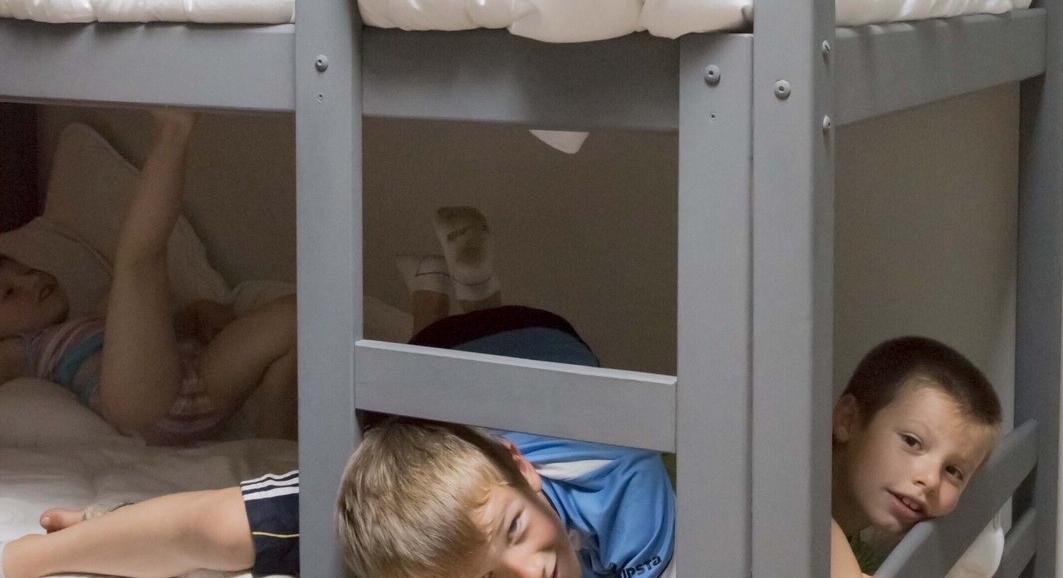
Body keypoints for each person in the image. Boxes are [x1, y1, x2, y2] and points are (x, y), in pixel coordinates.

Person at [0, 208, 676, 578]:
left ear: (523, 472)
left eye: (515, 530)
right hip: (428, 389)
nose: (529, 576)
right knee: (377, 424)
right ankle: (447, 294)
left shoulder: (628, 489)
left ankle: (465, 292)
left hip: (529, 337)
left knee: (421, 372)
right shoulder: (381, 513)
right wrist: (39, 558)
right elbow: (209, 525)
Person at [0, 109, 298, 445]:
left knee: (298, 317)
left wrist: (193, 317)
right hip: (137, 407)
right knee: (137, 263)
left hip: (196, 387)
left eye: (26, 270)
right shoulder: (22, 349)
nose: (32, 281)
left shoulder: (86, 323)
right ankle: (173, 129)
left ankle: (276, 446)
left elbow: (148, 335)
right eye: (9, 293)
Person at [828, 336, 1003, 577]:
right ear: (848, 420)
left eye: (953, 471)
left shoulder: (858, 546)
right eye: (912, 442)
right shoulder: (808, 521)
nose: (930, 479)